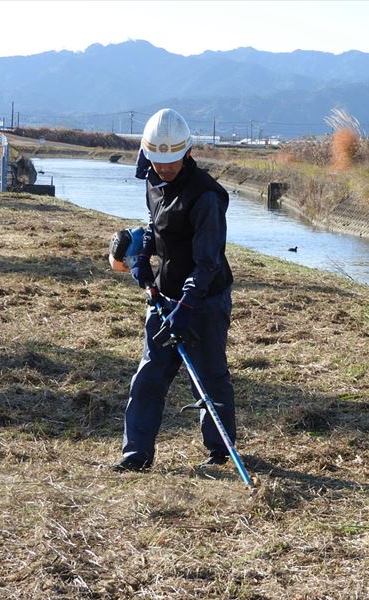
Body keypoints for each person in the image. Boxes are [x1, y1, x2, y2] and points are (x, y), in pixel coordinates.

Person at [113, 108, 236, 472]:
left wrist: (186, 307)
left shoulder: (207, 198)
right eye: (157, 161)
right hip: (165, 296)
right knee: (149, 375)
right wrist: (142, 254)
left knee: (210, 378)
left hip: (206, 299)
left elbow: (208, 262)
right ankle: (135, 456)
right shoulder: (153, 180)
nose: (163, 168)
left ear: (187, 153)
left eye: (171, 162)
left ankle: (219, 452)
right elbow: (157, 227)